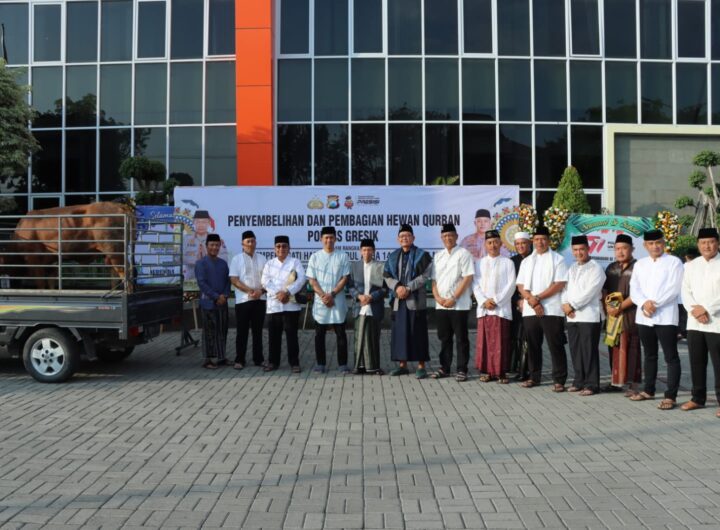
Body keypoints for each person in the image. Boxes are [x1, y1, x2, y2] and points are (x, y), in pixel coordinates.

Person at [629, 229, 684, 410]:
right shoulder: (640, 264)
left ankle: (671, 396)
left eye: (658, 242)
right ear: (645, 245)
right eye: (651, 244)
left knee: (671, 356)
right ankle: (649, 390)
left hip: (666, 316)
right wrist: (644, 303)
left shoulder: (674, 262)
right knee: (649, 354)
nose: (655, 246)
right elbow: (634, 288)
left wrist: (654, 304)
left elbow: (674, 288)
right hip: (644, 317)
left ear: (664, 243)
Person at [516, 226, 569, 391]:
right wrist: (533, 301)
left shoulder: (558, 259)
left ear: (549, 241)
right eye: (537, 239)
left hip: (552, 309)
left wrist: (538, 299)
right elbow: (520, 285)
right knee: (532, 345)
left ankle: (559, 380)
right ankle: (534, 377)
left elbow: (559, 284)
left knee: (555, 345)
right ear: (533, 241)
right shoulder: (526, 261)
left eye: (543, 239)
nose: (540, 242)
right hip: (530, 309)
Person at [384, 224, 433, 379]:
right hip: (398, 301)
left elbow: (425, 276)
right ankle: (402, 365)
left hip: (416, 301)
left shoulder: (422, 255)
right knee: (400, 334)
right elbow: (386, 276)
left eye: (407, 235)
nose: (404, 238)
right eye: (402, 236)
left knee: (418, 333)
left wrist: (408, 288)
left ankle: (421, 366)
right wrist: (398, 287)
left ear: (413, 238)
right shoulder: (392, 256)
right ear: (398, 239)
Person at [680, 228, 720, 414]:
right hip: (695, 322)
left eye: (711, 242)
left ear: (717, 243)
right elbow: (685, 291)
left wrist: (707, 309)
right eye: (703, 243)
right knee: (696, 361)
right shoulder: (691, 265)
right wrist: (695, 310)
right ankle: (697, 398)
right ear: (698, 245)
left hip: (716, 322)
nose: (707, 246)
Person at [431, 223, 475, 382]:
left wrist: (454, 298)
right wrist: (437, 297)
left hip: (459, 304)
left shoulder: (464, 254)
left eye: (450, 235)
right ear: (441, 238)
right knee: (444, 338)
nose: (448, 238)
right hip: (441, 304)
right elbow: (434, 280)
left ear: (456, 236)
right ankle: (444, 367)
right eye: (444, 236)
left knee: (461, 338)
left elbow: (468, 278)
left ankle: (462, 369)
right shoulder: (438, 256)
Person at [562, 235, 605, 396]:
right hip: (572, 316)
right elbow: (565, 289)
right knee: (575, 350)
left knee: (589, 351)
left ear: (588, 249)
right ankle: (579, 381)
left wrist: (572, 305)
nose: (578, 252)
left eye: (581, 249)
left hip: (589, 316)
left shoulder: (596, 268)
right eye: (575, 250)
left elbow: (590, 292)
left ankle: (592, 384)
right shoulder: (572, 268)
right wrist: (565, 305)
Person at [473, 230, 516, 383]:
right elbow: (475, 284)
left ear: (501, 243)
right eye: (489, 243)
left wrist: (496, 300)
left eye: (495, 242)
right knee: (485, 342)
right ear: (485, 245)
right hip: (484, 309)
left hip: (501, 309)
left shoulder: (508, 262)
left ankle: (501, 373)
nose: (493, 245)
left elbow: (511, 285)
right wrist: (484, 301)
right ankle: (487, 372)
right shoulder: (479, 263)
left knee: (501, 342)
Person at [306, 226, 351, 373]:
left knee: (341, 333)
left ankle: (343, 364)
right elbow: (312, 280)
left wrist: (332, 294)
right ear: (321, 239)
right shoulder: (315, 257)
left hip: (337, 299)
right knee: (319, 334)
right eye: (326, 237)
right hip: (321, 301)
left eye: (331, 237)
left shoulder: (342, 256)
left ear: (335, 239)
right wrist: (323, 296)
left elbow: (345, 278)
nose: (329, 240)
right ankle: (321, 364)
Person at [261, 235, 306, 373]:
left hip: (291, 306)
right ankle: (273, 362)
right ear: (274, 248)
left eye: (284, 246)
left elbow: (301, 280)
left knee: (292, 336)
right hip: (274, 305)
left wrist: (287, 292)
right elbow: (265, 282)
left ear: (289, 248)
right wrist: (278, 294)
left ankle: (294, 363)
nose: (281, 249)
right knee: (273, 336)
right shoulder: (269, 264)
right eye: (278, 246)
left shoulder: (295, 262)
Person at [603, 234, 641, 396]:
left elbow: (638, 293)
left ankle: (633, 384)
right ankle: (616, 382)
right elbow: (605, 289)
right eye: (617, 248)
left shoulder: (638, 267)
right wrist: (608, 307)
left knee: (632, 348)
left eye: (624, 248)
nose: (620, 252)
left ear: (632, 249)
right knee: (614, 347)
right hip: (613, 315)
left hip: (630, 315)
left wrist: (619, 307)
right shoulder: (611, 268)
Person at [348, 239, 388, 375]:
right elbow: (350, 286)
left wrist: (371, 297)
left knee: (373, 338)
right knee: (358, 338)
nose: (366, 252)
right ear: (360, 251)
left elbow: (385, 289)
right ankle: (358, 366)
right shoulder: (354, 266)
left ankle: (374, 367)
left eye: (369, 250)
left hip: (374, 306)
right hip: (359, 306)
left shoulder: (380, 266)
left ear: (374, 251)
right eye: (364, 250)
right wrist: (359, 296)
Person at [229, 230, 267, 370]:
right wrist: (249, 291)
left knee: (258, 332)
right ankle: (240, 359)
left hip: (260, 300)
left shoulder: (262, 259)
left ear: (256, 242)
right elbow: (234, 279)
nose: (251, 244)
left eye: (253, 241)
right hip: (243, 301)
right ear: (242, 244)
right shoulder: (236, 259)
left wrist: (260, 291)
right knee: (242, 331)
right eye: (248, 241)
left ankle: (258, 359)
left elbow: (268, 280)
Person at [195, 233, 231, 369]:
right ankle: (208, 360)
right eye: (212, 245)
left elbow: (228, 282)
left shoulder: (223, 264)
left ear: (220, 246)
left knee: (222, 330)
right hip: (208, 303)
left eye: (217, 245)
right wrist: (216, 297)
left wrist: (224, 296)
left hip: (222, 303)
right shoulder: (201, 263)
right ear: (206, 246)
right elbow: (202, 283)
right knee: (209, 332)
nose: (214, 247)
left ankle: (221, 357)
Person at [509, 231, 532, 380]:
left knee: (528, 338)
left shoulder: (535, 259)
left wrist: (527, 299)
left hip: (532, 303)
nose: (520, 246)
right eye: (518, 244)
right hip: (515, 304)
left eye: (523, 243)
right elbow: (509, 285)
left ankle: (527, 369)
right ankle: (515, 366)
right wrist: (517, 301)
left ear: (529, 243)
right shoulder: (511, 262)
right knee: (515, 336)